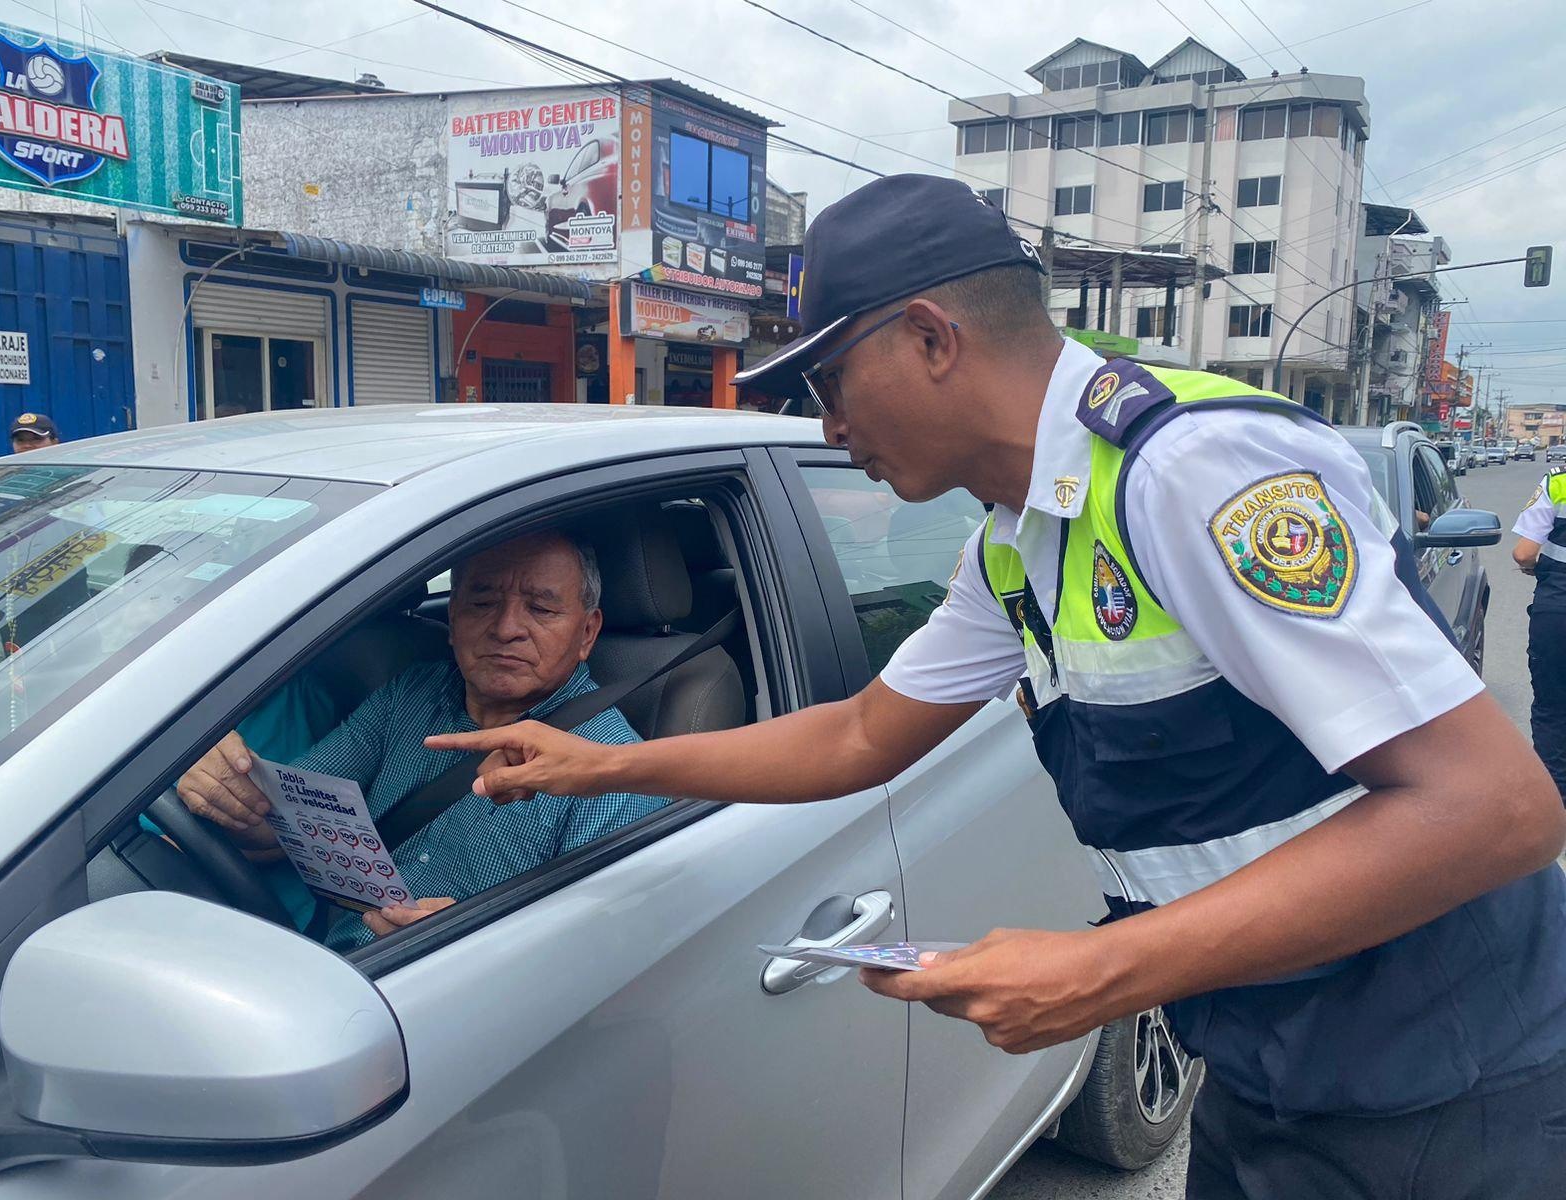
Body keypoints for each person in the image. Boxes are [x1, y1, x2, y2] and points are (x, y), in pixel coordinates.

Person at [429, 176, 1566, 1198]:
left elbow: (1495, 807)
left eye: (831, 379)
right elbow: (858, 736)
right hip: (1261, 1063)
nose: (829, 424)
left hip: (1444, 1078)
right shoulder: (1016, 542)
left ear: (930, 337)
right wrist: (602, 763)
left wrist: (1101, 970)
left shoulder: (1191, 470)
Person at [177, 529, 666, 950]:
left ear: (587, 634)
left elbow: (595, 953)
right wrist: (225, 787)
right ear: (452, 618)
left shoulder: (607, 768)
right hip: (329, 964)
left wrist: (470, 941)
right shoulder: (411, 693)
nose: (506, 628)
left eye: (540, 608)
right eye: (482, 603)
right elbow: (284, 821)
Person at [1513, 466, 1566, 801]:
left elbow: (1524, 552)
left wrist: (1534, 568)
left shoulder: (1559, 481)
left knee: (1552, 707)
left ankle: (1556, 800)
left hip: (1558, 610)